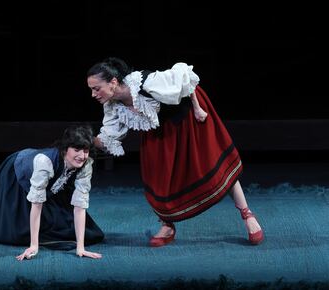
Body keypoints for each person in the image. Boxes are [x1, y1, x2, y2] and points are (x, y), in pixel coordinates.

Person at [86, 57, 264, 247]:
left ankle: (247, 214)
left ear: (113, 82)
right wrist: (80, 141)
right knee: (157, 177)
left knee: (214, 162)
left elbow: (185, 78)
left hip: (185, 117)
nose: (93, 94)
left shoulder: (145, 82)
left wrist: (197, 108)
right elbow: (108, 138)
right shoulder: (112, 106)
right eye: (91, 90)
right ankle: (167, 225)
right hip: (158, 130)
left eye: (96, 88)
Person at [0, 125, 104, 260]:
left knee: (90, 233)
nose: (82, 156)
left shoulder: (86, 165)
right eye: (76, 150)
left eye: (86, 151)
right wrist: (34, 245)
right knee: (13, 233)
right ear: (65, 150)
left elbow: (80, 206)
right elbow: (37, 203)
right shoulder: (45, 163)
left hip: (50, 176)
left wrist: (80, 248)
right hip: (18, 172)